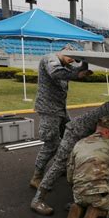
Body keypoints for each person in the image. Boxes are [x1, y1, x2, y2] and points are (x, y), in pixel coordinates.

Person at [30, 99, 109, 216]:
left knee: (83, 167)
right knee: (59, 165)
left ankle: (78, 201)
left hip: (85, 136)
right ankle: (37, 199)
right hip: (76, 133)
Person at [30, 44, 92, 189]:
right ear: (64, 51)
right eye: (71, 57)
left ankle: (63, 167)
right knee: (51, 144)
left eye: (74, 59)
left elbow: (78, 71)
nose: (71, 61)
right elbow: (56, 73)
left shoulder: (65, 63)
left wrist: (85, 60)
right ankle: (37, 176)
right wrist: (77, 75)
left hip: (60, 109)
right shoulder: (50, 59)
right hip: (49, 110)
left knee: (70, 136)